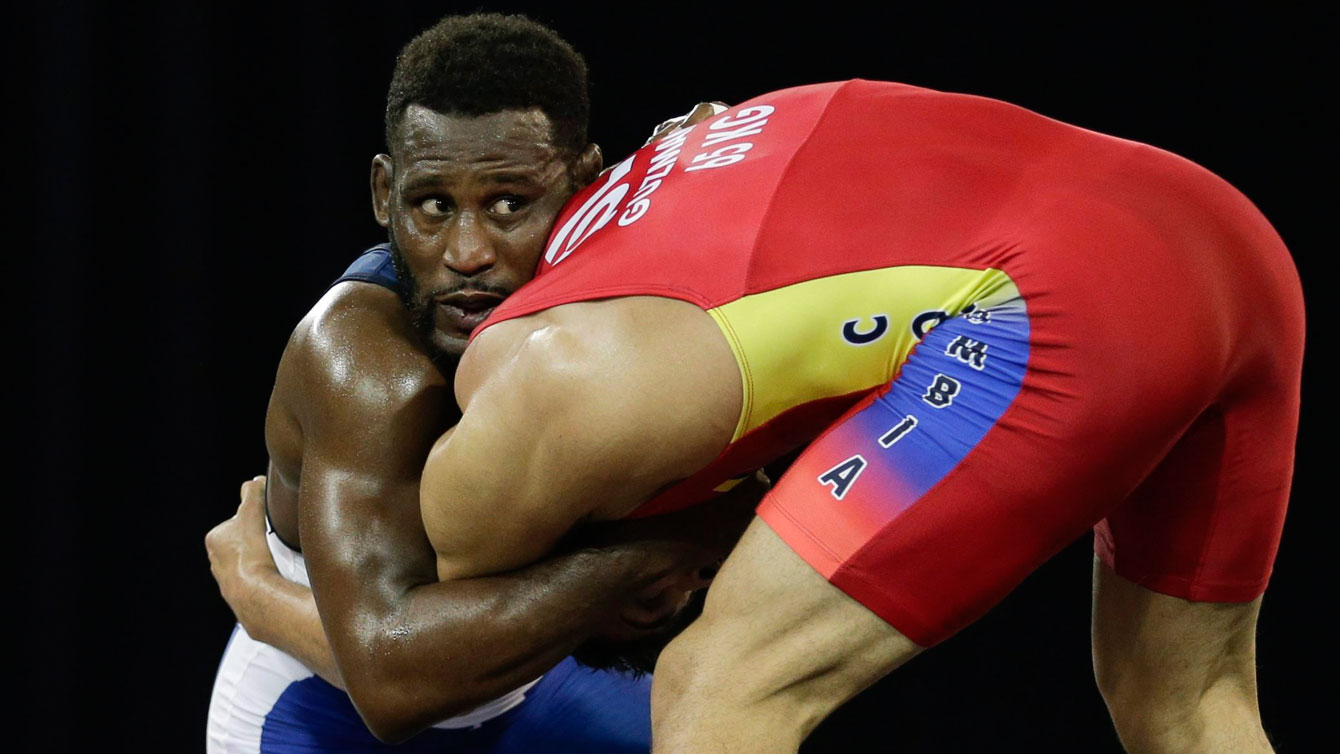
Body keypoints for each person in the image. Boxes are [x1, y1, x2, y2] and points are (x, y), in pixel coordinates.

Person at [409, 79, 1301, 753]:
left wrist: (265, 597)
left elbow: (414, 658)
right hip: (1225, 235)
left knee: (718, 687)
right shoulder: (674, 155)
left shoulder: (542, 388)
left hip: (1058, 307)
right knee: (1183, 704)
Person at [204, 13, 743, 753]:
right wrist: (664, 545)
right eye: (434, 205)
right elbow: (392, 685)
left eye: (508, 205)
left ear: (586, 184)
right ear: (384, 193)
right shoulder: (365, 364)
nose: (466, 253)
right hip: (325, 711)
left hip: (528, 683)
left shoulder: (625, 289)